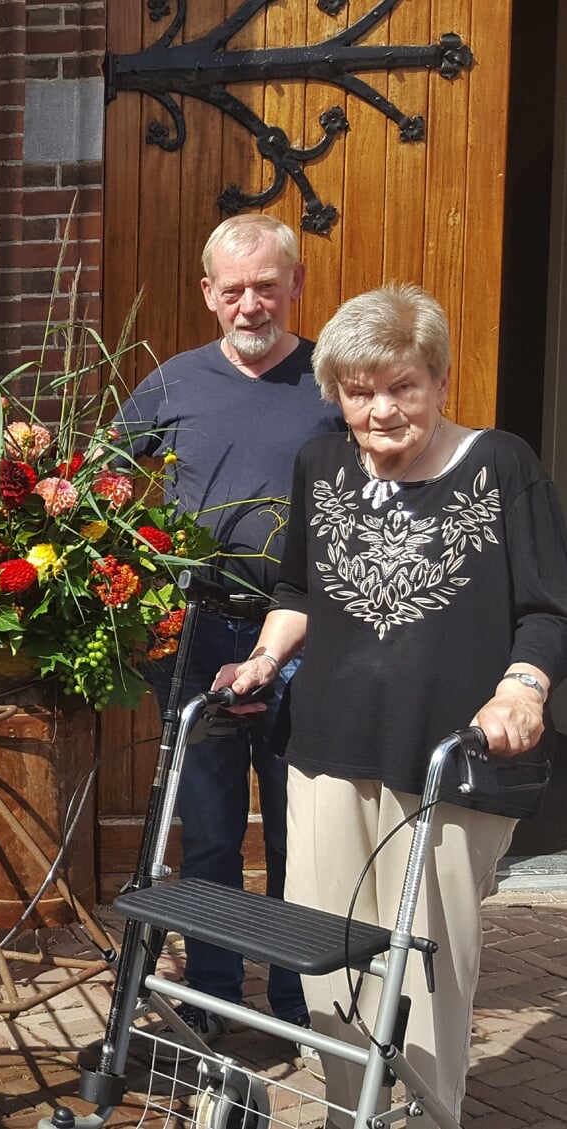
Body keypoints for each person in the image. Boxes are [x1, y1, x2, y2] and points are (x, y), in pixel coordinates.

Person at [223, 282, 566, 1127]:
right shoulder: (321, 462)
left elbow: (547, 608)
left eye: (401, 385)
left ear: (439, 380)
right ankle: (353, 1116)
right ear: (338, 393)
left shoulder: (501, 464)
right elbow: (299, 588)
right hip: (327, 750)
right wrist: (264, 657)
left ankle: (431, 1114)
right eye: (359, 390)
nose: (380, 409)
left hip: (449, 756)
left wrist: (523, 687)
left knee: (426, 967)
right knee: (330, 964)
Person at [115, 213, 344, 1041]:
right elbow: (100, 490)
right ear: (209, 295)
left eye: (267, 285)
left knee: (300, 832)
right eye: (235, 289)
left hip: (312, 641)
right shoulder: (171, 384)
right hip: (200, 639)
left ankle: (294, 999)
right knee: (209, 829)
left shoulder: (334, 381)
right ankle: (215, 995)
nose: (252, 305)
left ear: (297, 285)